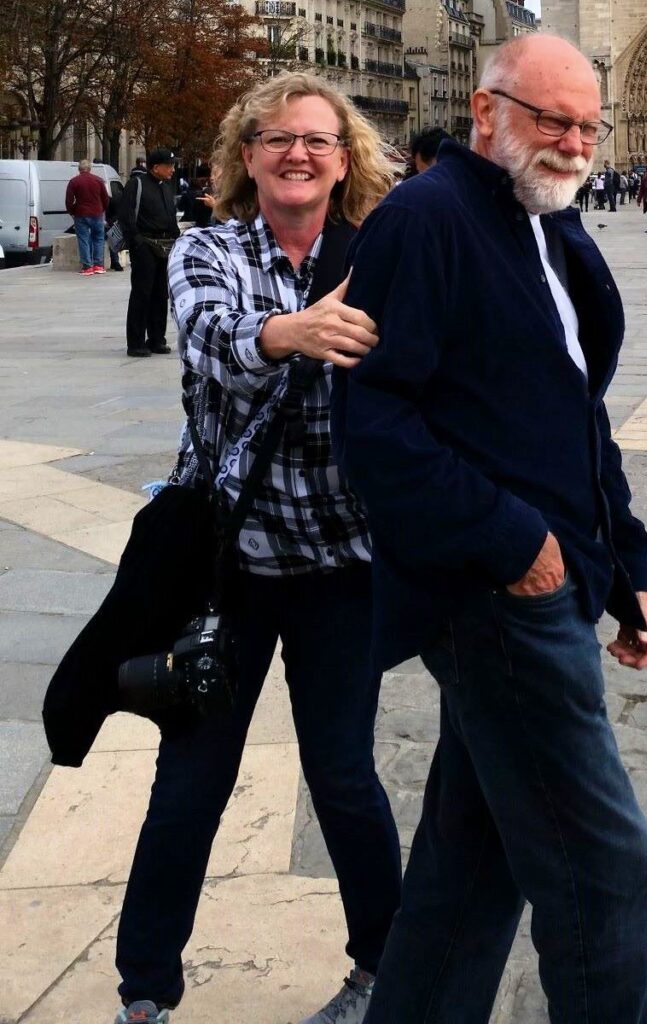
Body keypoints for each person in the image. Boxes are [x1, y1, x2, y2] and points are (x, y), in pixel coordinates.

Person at [338, 33, 647, 1024]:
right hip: (498, 602)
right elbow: (377, 423)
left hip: (550, 586)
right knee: (607, 877)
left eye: (587, 124)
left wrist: (627, 564)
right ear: (486, 114)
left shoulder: (550, 225)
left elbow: (576, 413)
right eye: (549, 119)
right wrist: (516, 545)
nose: (572, 142)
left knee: (470, 865)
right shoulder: (425, 219)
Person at [114, 73, 402, 1024]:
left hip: (341, 567)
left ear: (345, 158)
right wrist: (293, 332)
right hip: (226, 566)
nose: (298, 154)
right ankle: (146, 995)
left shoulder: (380, 254)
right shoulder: (207, 248)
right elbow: (205, 334)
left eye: (318, 141)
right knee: (190, 783)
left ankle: (381, 970)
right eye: (277, 138)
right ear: (246, 157)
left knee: (346, 779)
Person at [120, 147, 180, 357]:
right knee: (142, 293)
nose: (173, 169)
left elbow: (171, 217)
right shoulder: (136, 185)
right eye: (169, 165)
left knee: (160, 294)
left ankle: (156, 338)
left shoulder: (166, 187)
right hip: (145, 244)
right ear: (156, 167)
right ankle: (135, 342)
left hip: (165, 245)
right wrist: (137, 243)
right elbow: (126, 216)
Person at [65, 158, 110, 276]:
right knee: (99, 238)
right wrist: (102, 208)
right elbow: (105, 198)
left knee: (83, 239)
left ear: (79, 170)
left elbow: (69, 201)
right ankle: (98, 265)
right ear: (90, 169)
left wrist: (72, 211)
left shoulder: (74, 182)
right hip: (97, 213)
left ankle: (87, 266)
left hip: (81, 214)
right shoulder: (98, 180)